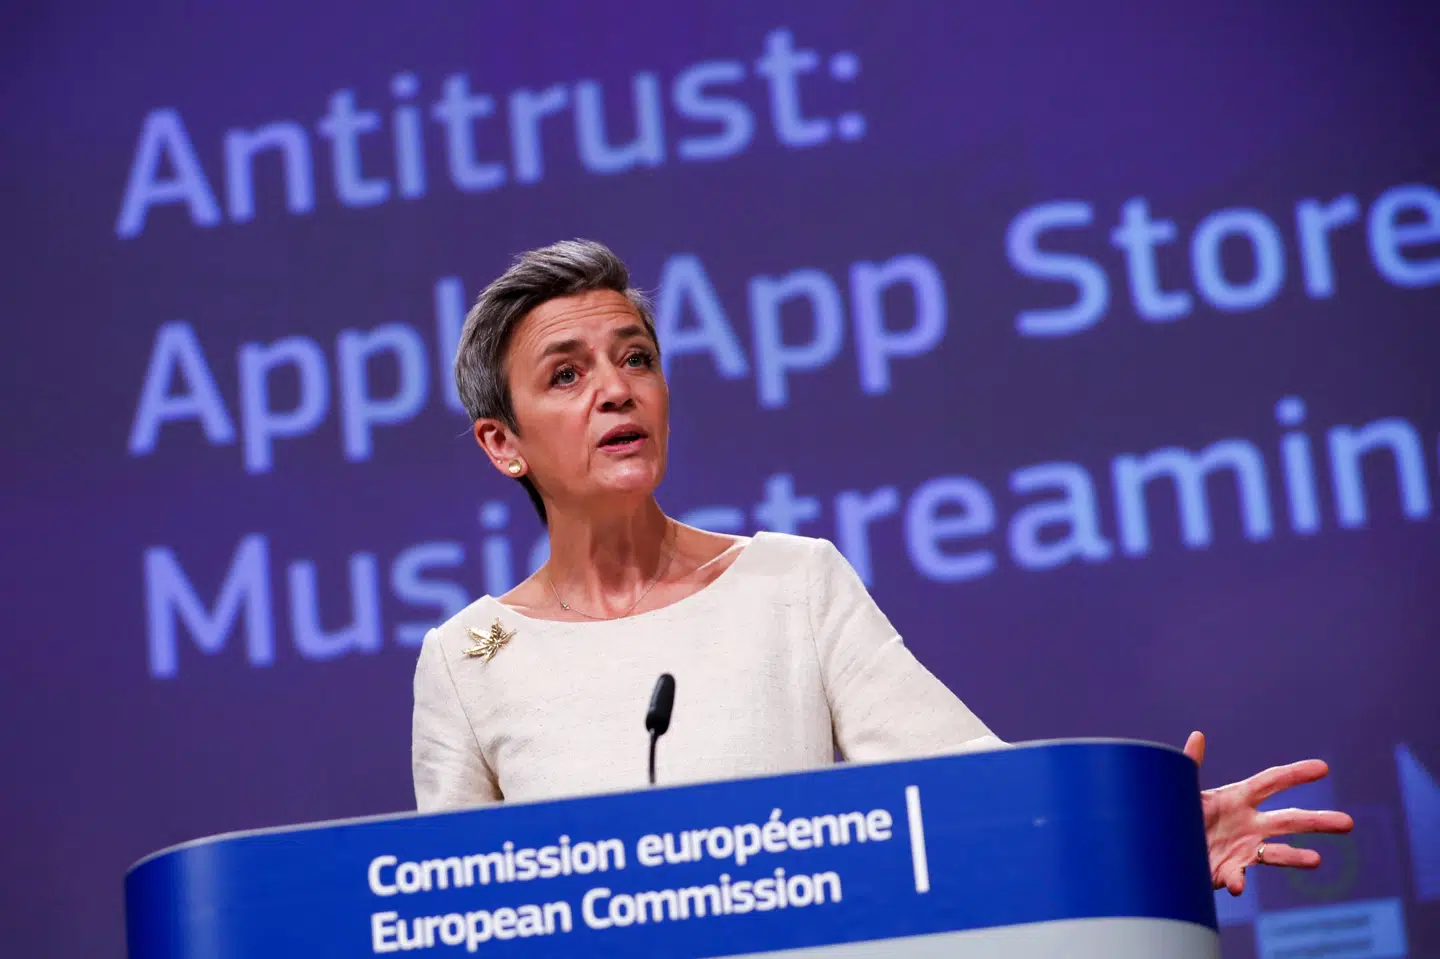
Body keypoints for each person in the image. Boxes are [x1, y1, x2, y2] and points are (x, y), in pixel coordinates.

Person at [412, 239, 1352, 895]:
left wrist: (1149, 837)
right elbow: (454, 916)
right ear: (503, 443)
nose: (617, 388)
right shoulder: (468, 659)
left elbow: (971, 788)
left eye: (637, 358)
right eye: (567, 374)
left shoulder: (792, 582)